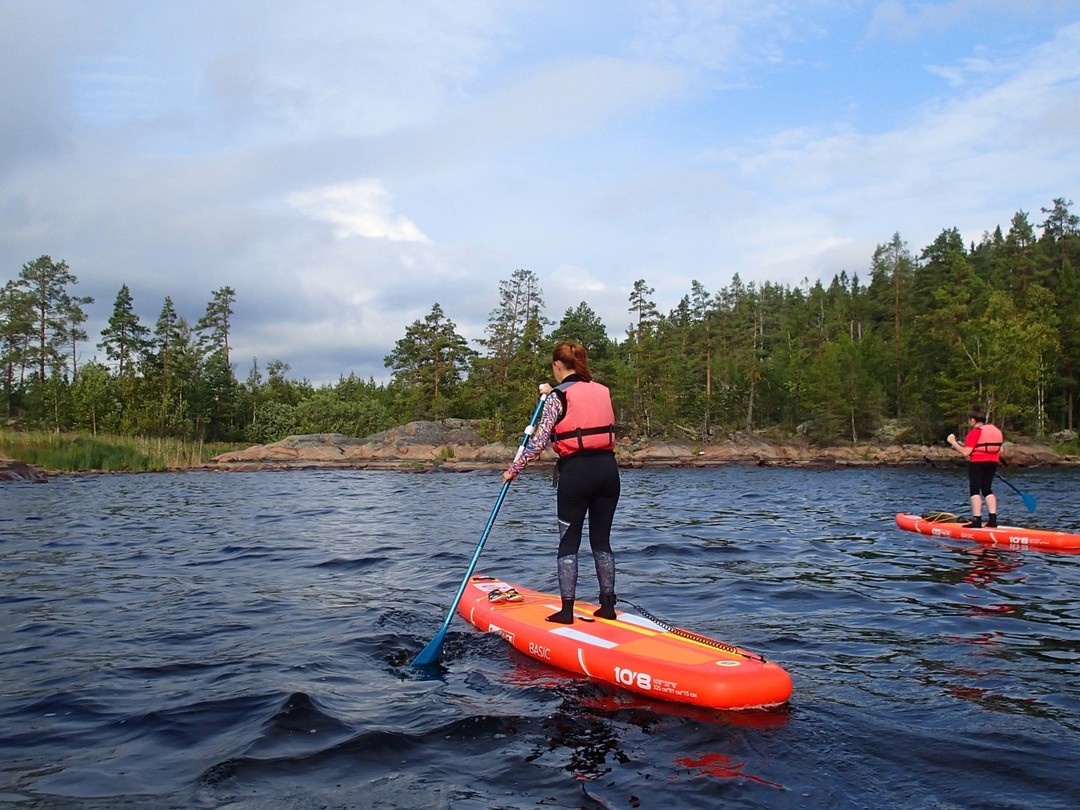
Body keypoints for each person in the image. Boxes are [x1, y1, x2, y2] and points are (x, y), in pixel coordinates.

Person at [503, 341, 620, 624]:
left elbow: (540, 440)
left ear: (557, 366)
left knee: (569, 542)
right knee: (601, 541)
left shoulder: (558, 397)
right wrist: (550, 392)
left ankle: (566, 612)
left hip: (576, 474)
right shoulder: (602, 390)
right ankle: (608, 606)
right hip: (608, 471)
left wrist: (514, 468)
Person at [947, 407, 1004, 528]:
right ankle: (992, 520)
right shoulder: (995, 430)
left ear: (973, 420)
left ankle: (977, 520)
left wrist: (953, 442)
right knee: (987, 489)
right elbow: (1001, 450)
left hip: (978, 462)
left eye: (969, 420)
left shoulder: (975, 432)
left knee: (975, 490)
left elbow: (965, 453)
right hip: (993, 461)